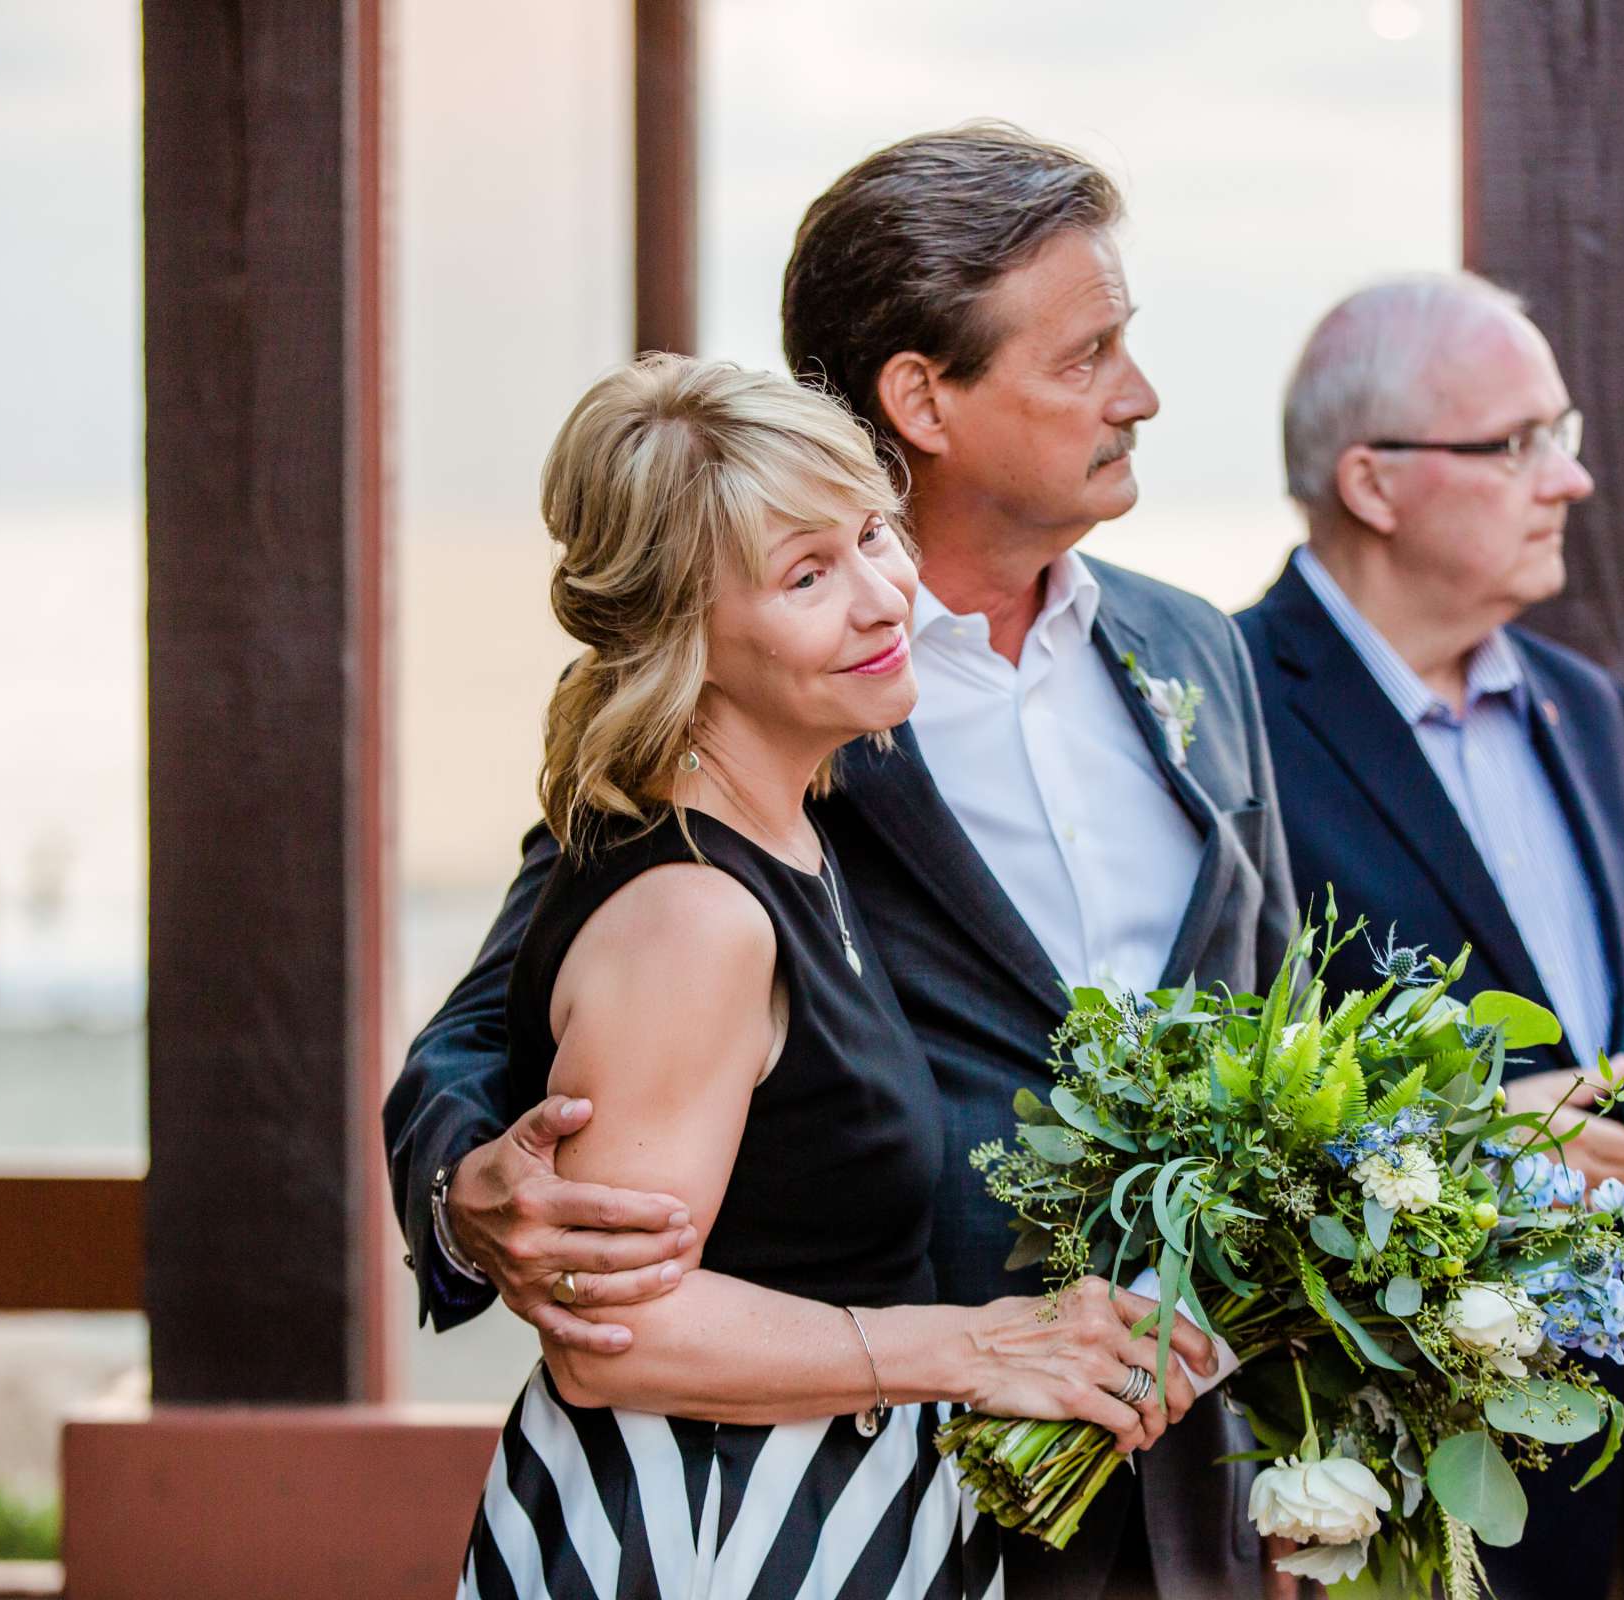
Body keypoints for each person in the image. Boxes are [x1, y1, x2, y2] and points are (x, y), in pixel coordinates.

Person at [385, 125, 1296, 1600]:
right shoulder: (764, 695)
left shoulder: (1194, 648)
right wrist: (462, 1196)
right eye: (1084, 358)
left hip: (1178, 1485)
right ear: (922, 396)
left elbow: (1279, 1019)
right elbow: (518, 1001)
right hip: (832, 1483)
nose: (1138, 395)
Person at [1233, 272, 1624, 1600]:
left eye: (1566, 433)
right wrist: (1482, 1135)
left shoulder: (1586, 708)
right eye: (1517, 444)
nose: (1569, 481)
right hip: (1374, 1469)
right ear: (1373, 484)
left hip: (1617, 1440)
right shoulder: (1227, 716)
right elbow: (1227, 1113)